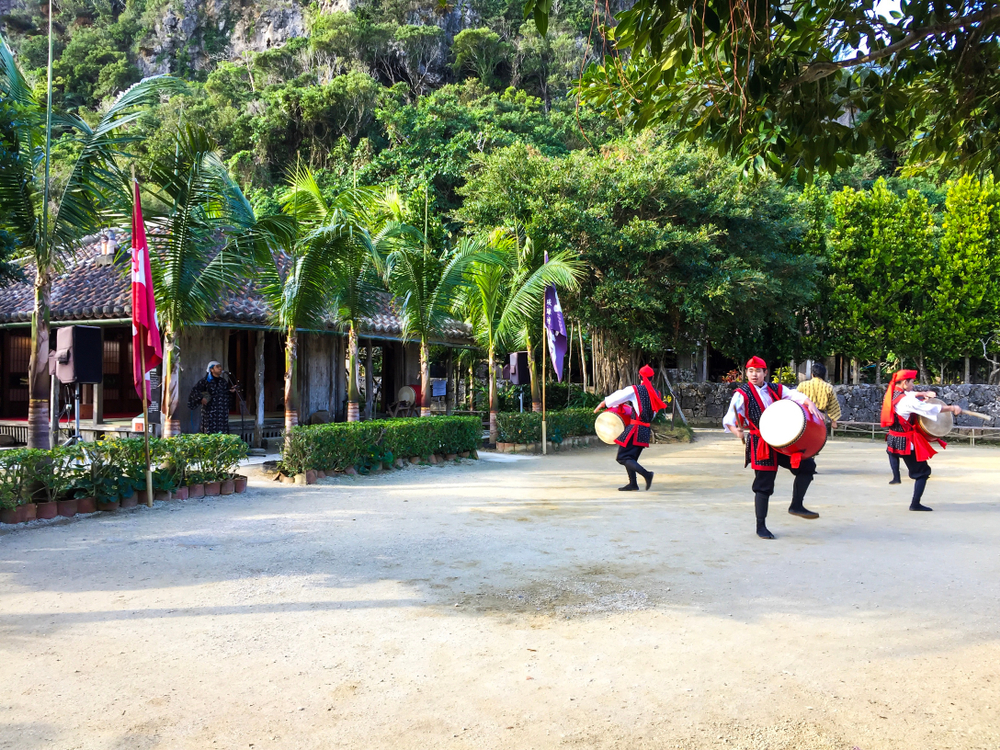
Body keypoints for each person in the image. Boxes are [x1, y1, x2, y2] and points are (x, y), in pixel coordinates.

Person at [723, 356, 824, 539]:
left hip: (782, 441)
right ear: (746, 373)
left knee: (807, 467)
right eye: (751, 371)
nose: (754, 375)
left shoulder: (775, 388)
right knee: (764, 485)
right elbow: (730, 419)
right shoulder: (742, 394)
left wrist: (808, 402)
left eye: (758, 371)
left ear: (765, 373)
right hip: (761, 443)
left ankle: (796, 505)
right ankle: (760, 526)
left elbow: (794, 395)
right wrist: (736, 431)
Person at [880, 369, 962, 511]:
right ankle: (915, 504)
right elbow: (927, 408)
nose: (913, 385)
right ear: (905, 382)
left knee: (891, 453)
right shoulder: (906, 401)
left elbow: (910, 394)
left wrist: (922, 394)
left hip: (894, 438)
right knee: (923, 473)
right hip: (906, 443)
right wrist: (951, 408)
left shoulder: (892, 392)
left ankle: (896, 476)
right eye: (912, 382)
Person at [593, 364, 667, 491]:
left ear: (639, 376)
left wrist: (604, 403)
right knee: (630, 458)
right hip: (645, 430)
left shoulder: (635, 389)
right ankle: (633, 484)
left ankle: (647, 474)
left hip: (635, 429)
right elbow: (653, 413)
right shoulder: (657, 393)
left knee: (623, 457)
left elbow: (619, 396)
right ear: (653, 378)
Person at [187, 361, 236, 434]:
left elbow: (225, 393)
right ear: (211, 369)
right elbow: (194, 391)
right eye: (217, 367)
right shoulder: (204, 381)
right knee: (209, 430)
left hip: (221, 411)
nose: (220, 368)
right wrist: (201, 398)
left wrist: (230, 391)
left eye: (220, 366)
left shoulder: (223, 382)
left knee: (222, 431)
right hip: (209, 411)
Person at [795, 362, 841, 433]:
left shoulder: (802, 385)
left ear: (812, 374)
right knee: (818, 439)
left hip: (804, 415)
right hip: (820, 417)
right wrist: (834, 421)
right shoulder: (829, 387)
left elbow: (796, 399)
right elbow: (833, 405)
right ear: (824, 375)